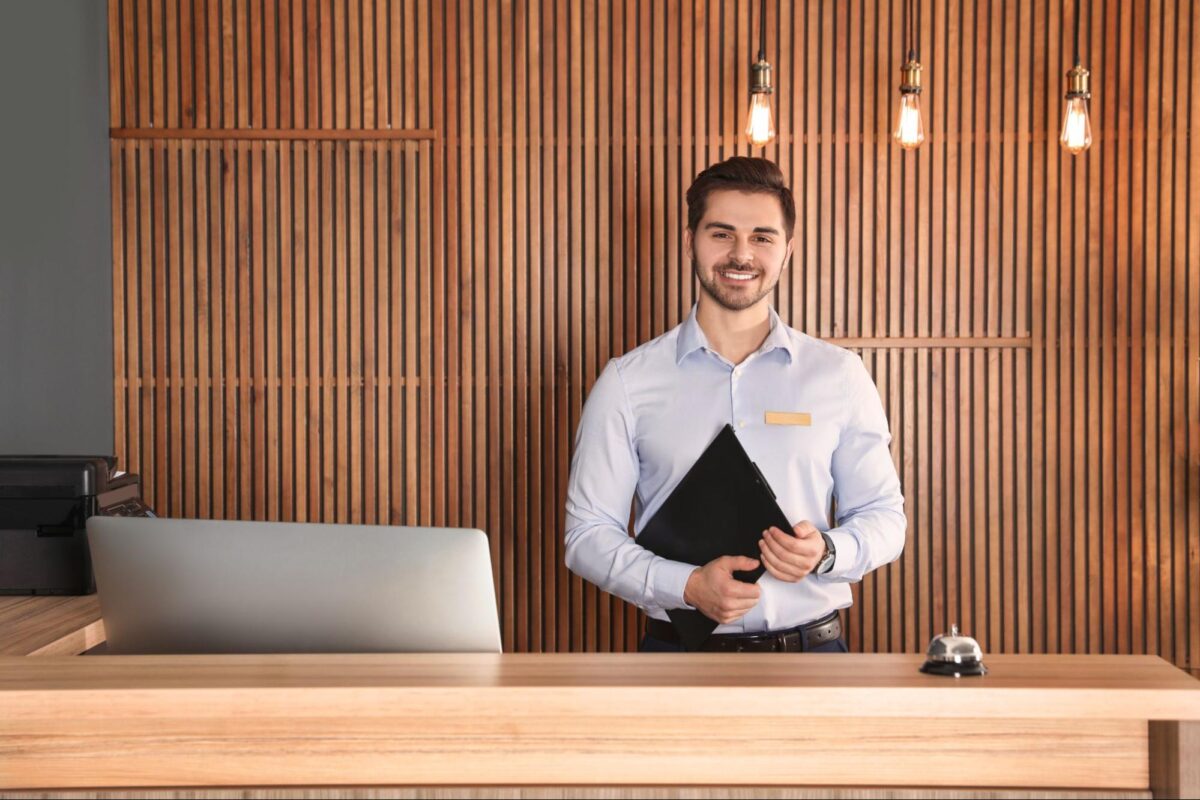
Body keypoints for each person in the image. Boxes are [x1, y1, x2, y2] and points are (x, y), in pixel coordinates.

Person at [563, 157, 907, 653]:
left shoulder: (839, 375)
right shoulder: (626, 382)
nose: (741, 254)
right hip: (676, 665)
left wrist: (827, 551)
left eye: (762, 237)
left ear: (787, 251)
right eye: (721, 234)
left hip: (813, 662)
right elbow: (587, 535)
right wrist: (684, 586)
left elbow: (885, 517)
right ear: (690, 242)